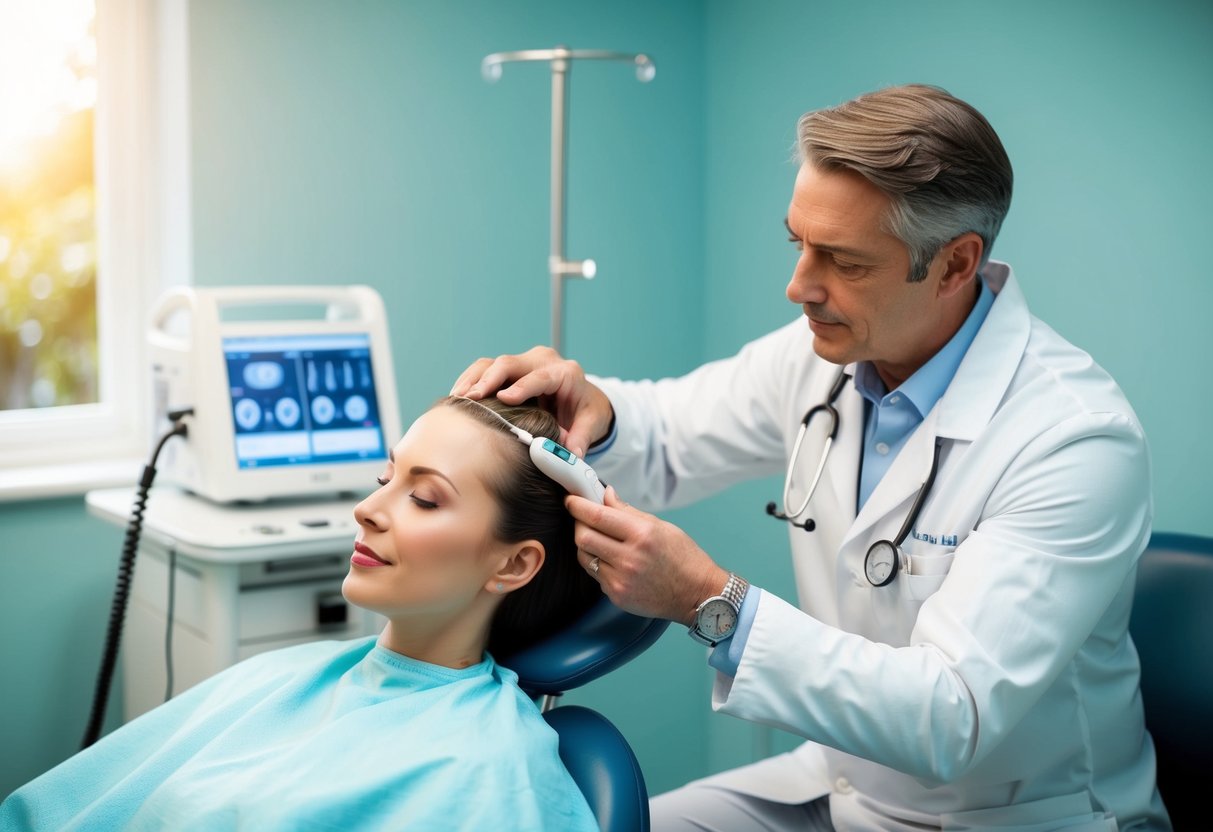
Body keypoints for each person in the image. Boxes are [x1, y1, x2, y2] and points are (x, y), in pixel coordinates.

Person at [451, 84, 1171, 830]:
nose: (798, 287)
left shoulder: (1073, 440)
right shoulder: (825, 356)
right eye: (797, 242)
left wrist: (708, 600)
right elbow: (666, 433)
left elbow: (949, 716)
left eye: (844, 262)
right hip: (842, 787)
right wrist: (593, 410)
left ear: (955, 263)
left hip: (1008, 816)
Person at [0, 396, 602, 831]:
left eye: (424, 497)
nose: (367, 508)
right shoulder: (282, 678)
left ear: (514, 565)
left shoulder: (487, 770)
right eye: (384, 477)